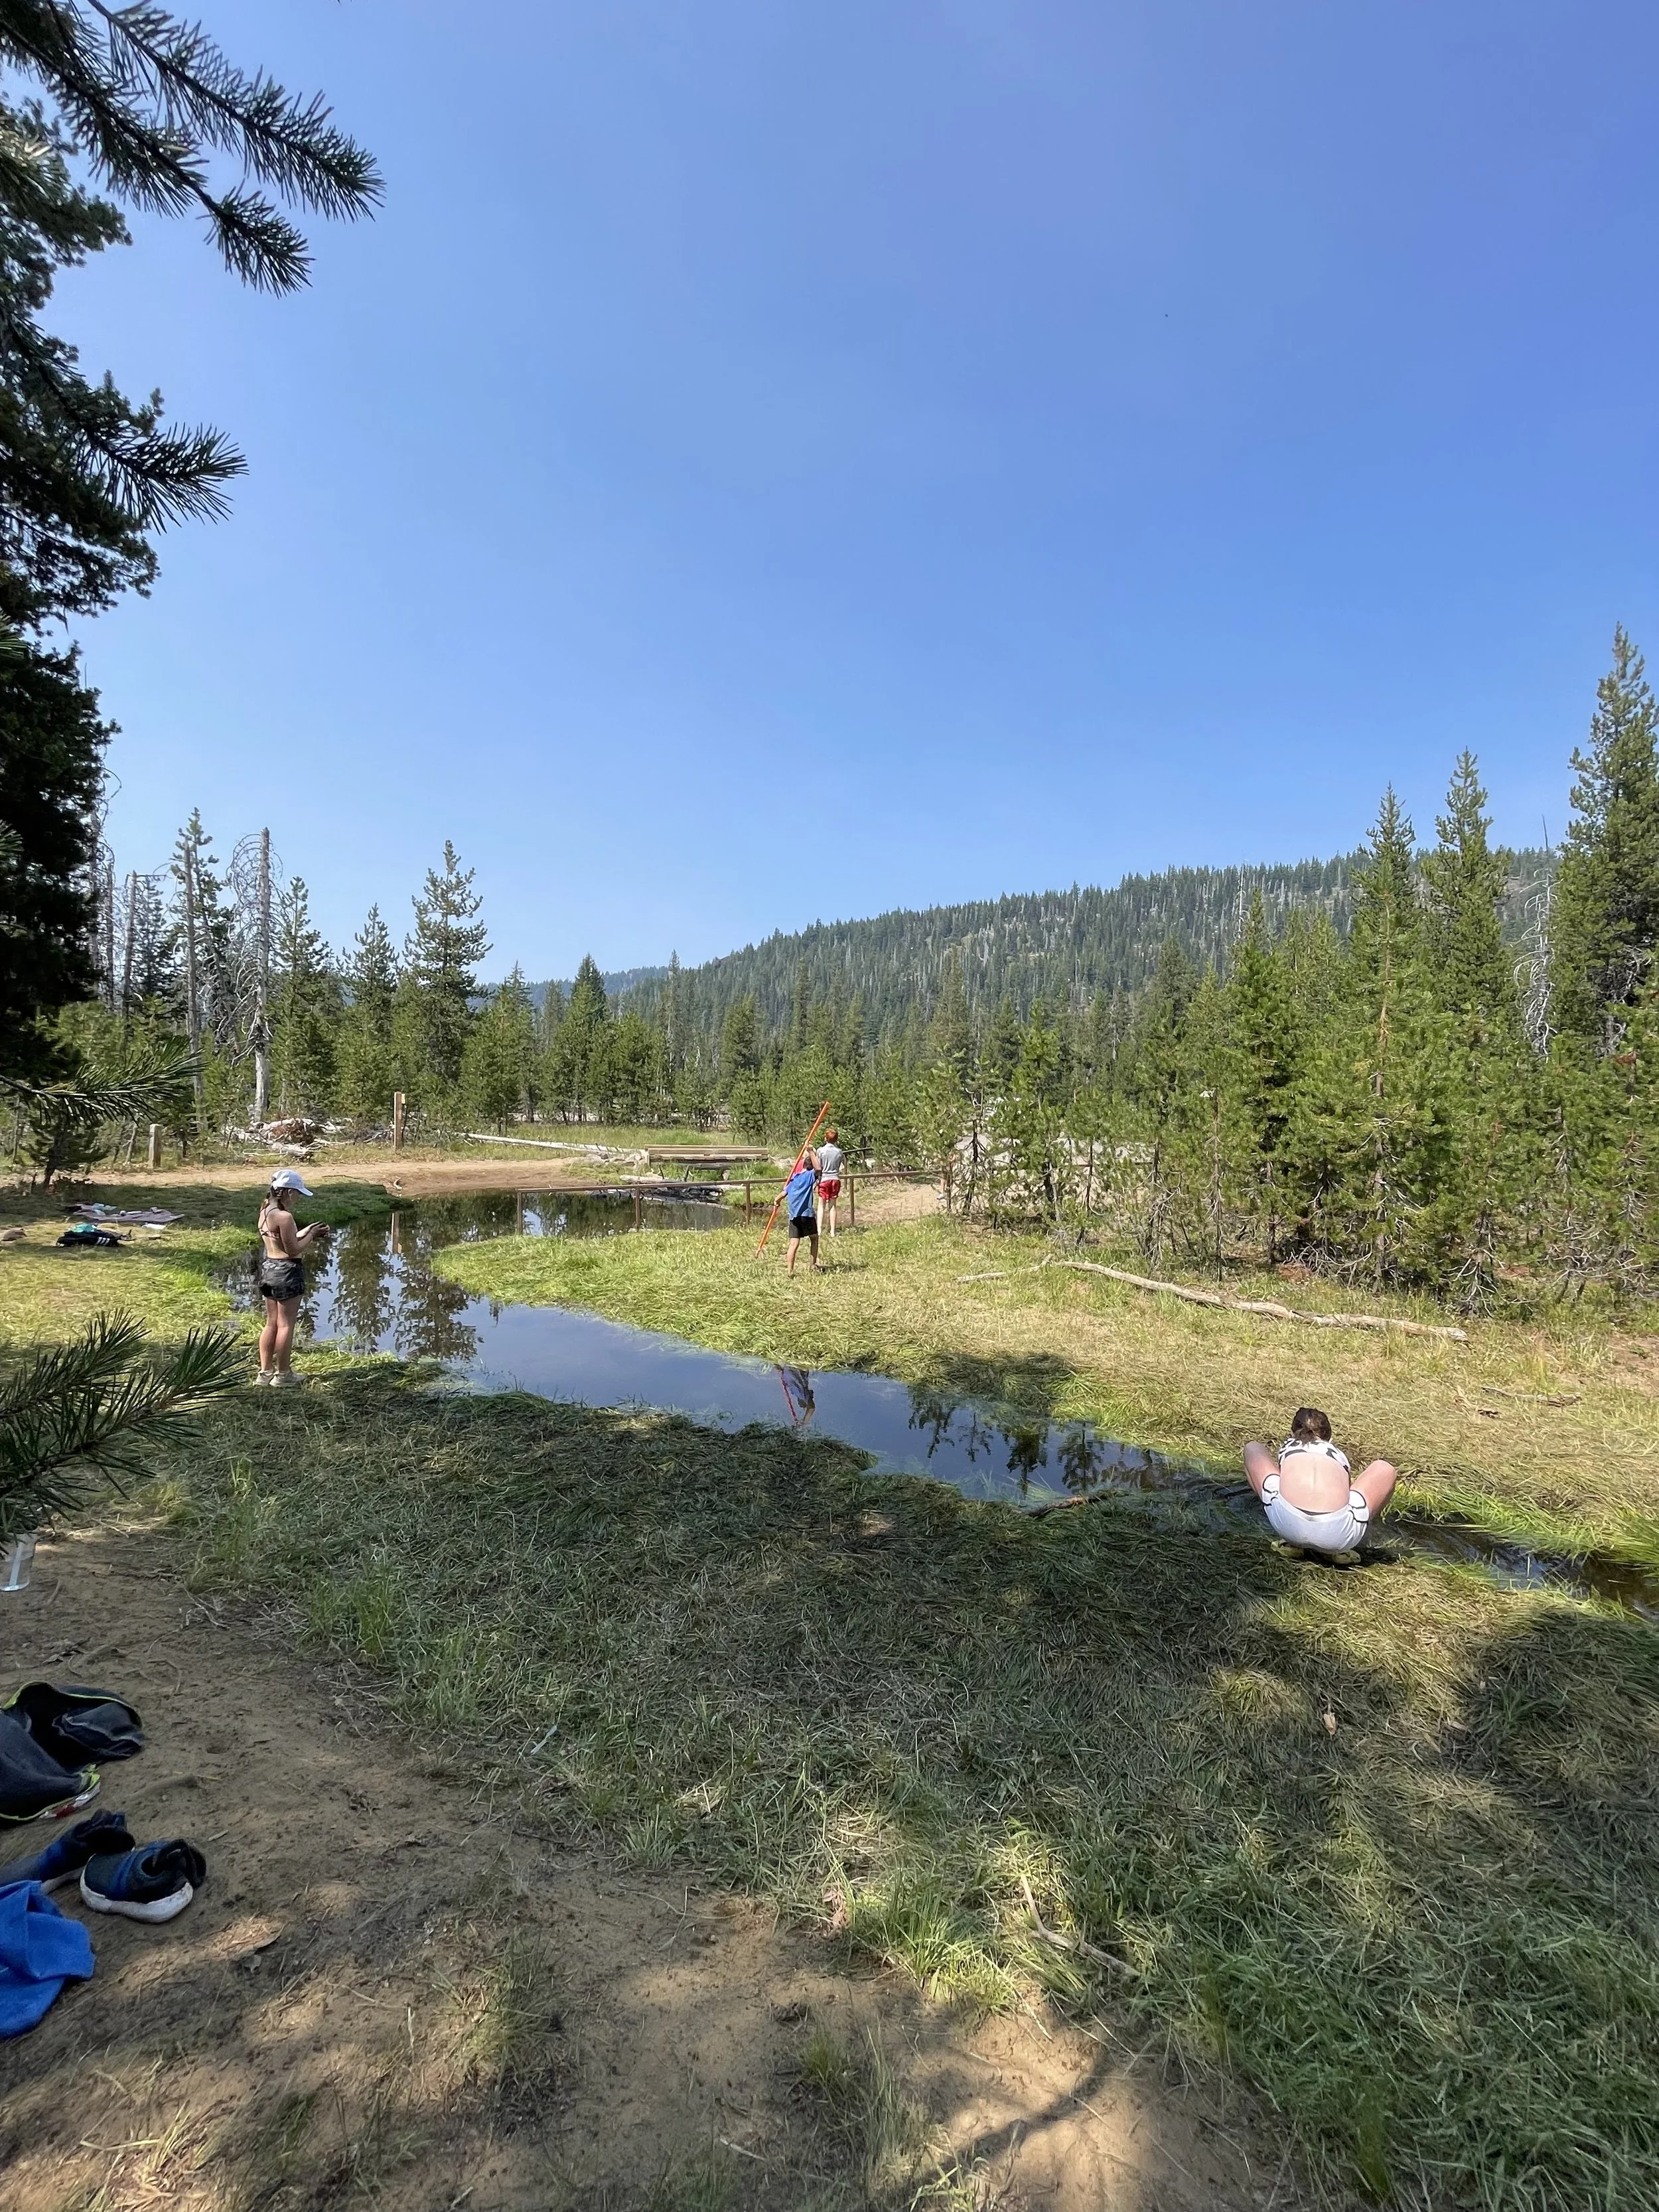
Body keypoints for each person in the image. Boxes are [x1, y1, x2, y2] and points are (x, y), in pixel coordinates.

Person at [1243, 1406, 1397, 1556]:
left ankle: (1293, 1545)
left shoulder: (1288, 1447)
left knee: (1252, 1449)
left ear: (1292, 1433)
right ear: (1330, 1437)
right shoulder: (1338, 1455)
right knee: (1385, 1469)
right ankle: (1339, 1550)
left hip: (1289, 1527)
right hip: (1338, 1537)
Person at [255, 1169, 330, 1386]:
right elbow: (293, 1250)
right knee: (286, 1325)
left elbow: (280, 1241)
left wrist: (307, 1230)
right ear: (287, 1192)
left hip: (269, 1269)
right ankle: (284, 1374)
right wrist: (313, 1236)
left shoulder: (266, 1211)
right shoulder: (285, 1216)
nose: (298, 1198)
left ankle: (265, 1372)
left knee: (271, 1323)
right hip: (287, 1272)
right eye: (297, 1193)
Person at [784, 1147, 821, 1276]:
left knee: (794, 1243)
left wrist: (776, 1201)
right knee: (814, 1239)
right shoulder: (809, 1176)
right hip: (807, 1215)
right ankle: (813, 1265)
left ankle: (790, 1271)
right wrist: (811, 1152)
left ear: (803, 1165)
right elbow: (818, 1169)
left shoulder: (794, 1178)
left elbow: (783, 1193)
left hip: (794, 1216)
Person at [816, 1127, 845, 1238]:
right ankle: (833, 1231)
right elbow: (839, 1166)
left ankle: (819, 1229)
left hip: (824, 1179)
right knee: (833, 1206)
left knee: (821, 1205)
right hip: (835, 1179)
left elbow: (819, 1166)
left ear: (826, 1138)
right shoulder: (839, 1152)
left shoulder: (821, 1151)